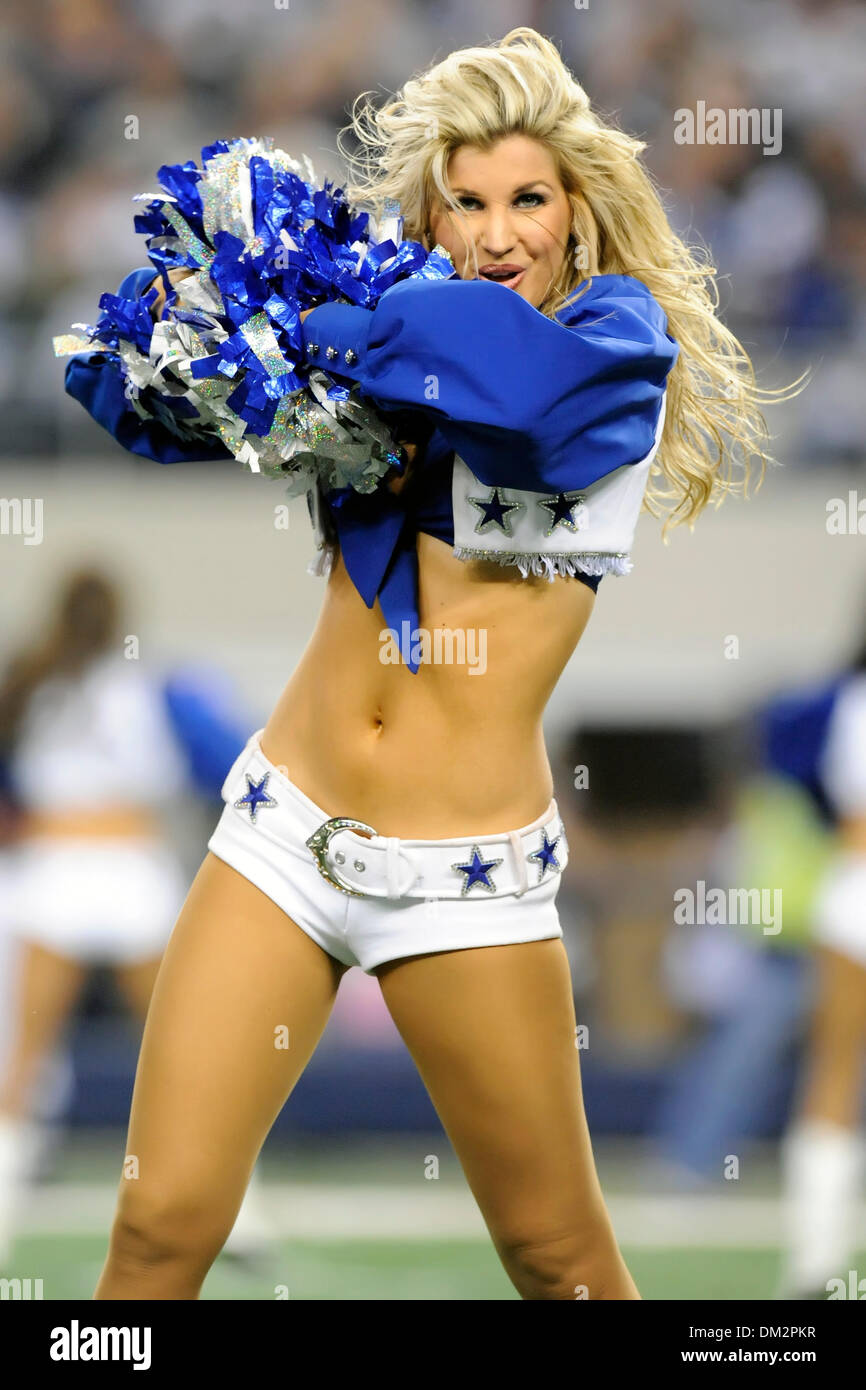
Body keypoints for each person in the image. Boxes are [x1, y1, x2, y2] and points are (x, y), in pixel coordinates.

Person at [64, 28, 799, 1300]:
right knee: (157, 1228)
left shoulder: (609, 349)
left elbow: (513, 403)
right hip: (281, 834)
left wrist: (326, 319)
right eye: (464, 202)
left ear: (577, 216)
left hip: (462, 881)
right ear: (431, 212)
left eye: (527, 199)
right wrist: (211, 332)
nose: (497, 229)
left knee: (559, 1258)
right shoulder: (396, 332)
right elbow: (133, 412)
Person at [0, 569, 270, 1270]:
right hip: (120, 869)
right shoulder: (151, 687)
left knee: (23, 1063)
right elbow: (234, 764)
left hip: (59, 871)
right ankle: (237, 1216)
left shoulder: (32, 684)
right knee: (180, 1051)